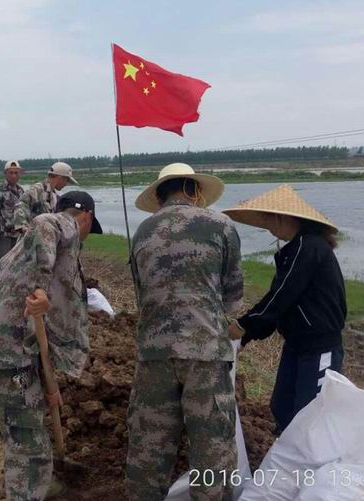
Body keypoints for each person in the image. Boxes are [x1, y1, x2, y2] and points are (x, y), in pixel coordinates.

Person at [0, 191, 102, 501]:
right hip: (12, 361)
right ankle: (26, 490)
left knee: (18, 436)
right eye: (88, 227)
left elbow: (41, 331)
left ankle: (25, 485)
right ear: (85, 217)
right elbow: (47, 223)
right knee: (29, 447)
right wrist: (42, 289)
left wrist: (49, 385)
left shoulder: (19, 255)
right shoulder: (60, 224)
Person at [127, 163, 243, 501]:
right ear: (193, 190)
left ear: (160, 196)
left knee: (149, 448)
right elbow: (232, 296)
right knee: (211, 448)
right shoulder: (221, 225)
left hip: (154, 353)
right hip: (205, 353)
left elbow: (142, 296)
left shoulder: (143, 232)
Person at [224, 184, 346, 434]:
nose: (268, 228)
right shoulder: (296, 249)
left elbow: (281, 296)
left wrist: (245, 325)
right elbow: (282, 304)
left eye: (269, 220)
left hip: (319, 346)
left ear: (284, 218)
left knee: (310, 416)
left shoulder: (309, 247)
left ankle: (307, 459)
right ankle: (286, 455)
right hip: (297, 344)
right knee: (282, 407)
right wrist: (246, 335)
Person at [13, 162, 77, 231]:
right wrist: (23, 227)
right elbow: (21, 204)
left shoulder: (54, 195)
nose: (66, 184)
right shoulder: (37, 189)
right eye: (66, 180)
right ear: (60, 178)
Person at [0, 160, 25, 266]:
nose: (13, 175)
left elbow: (24, 210)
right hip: (3, 233)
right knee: (2, 263)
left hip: (18, 233)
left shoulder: (21, 191)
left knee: (15, 264)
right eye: (10, 173)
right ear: (5, 173)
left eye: (16, 173)